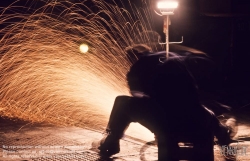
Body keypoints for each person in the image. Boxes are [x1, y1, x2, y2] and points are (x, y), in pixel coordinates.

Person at [95, 46, 237, 161]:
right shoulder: (171, 57)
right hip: (198, 120)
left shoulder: (137, 68)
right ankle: (228, 149)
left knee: (122, 102)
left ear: (133, 58)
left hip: (166, 126)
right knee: (213, 124)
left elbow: (137, 99)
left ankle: (111, 143)